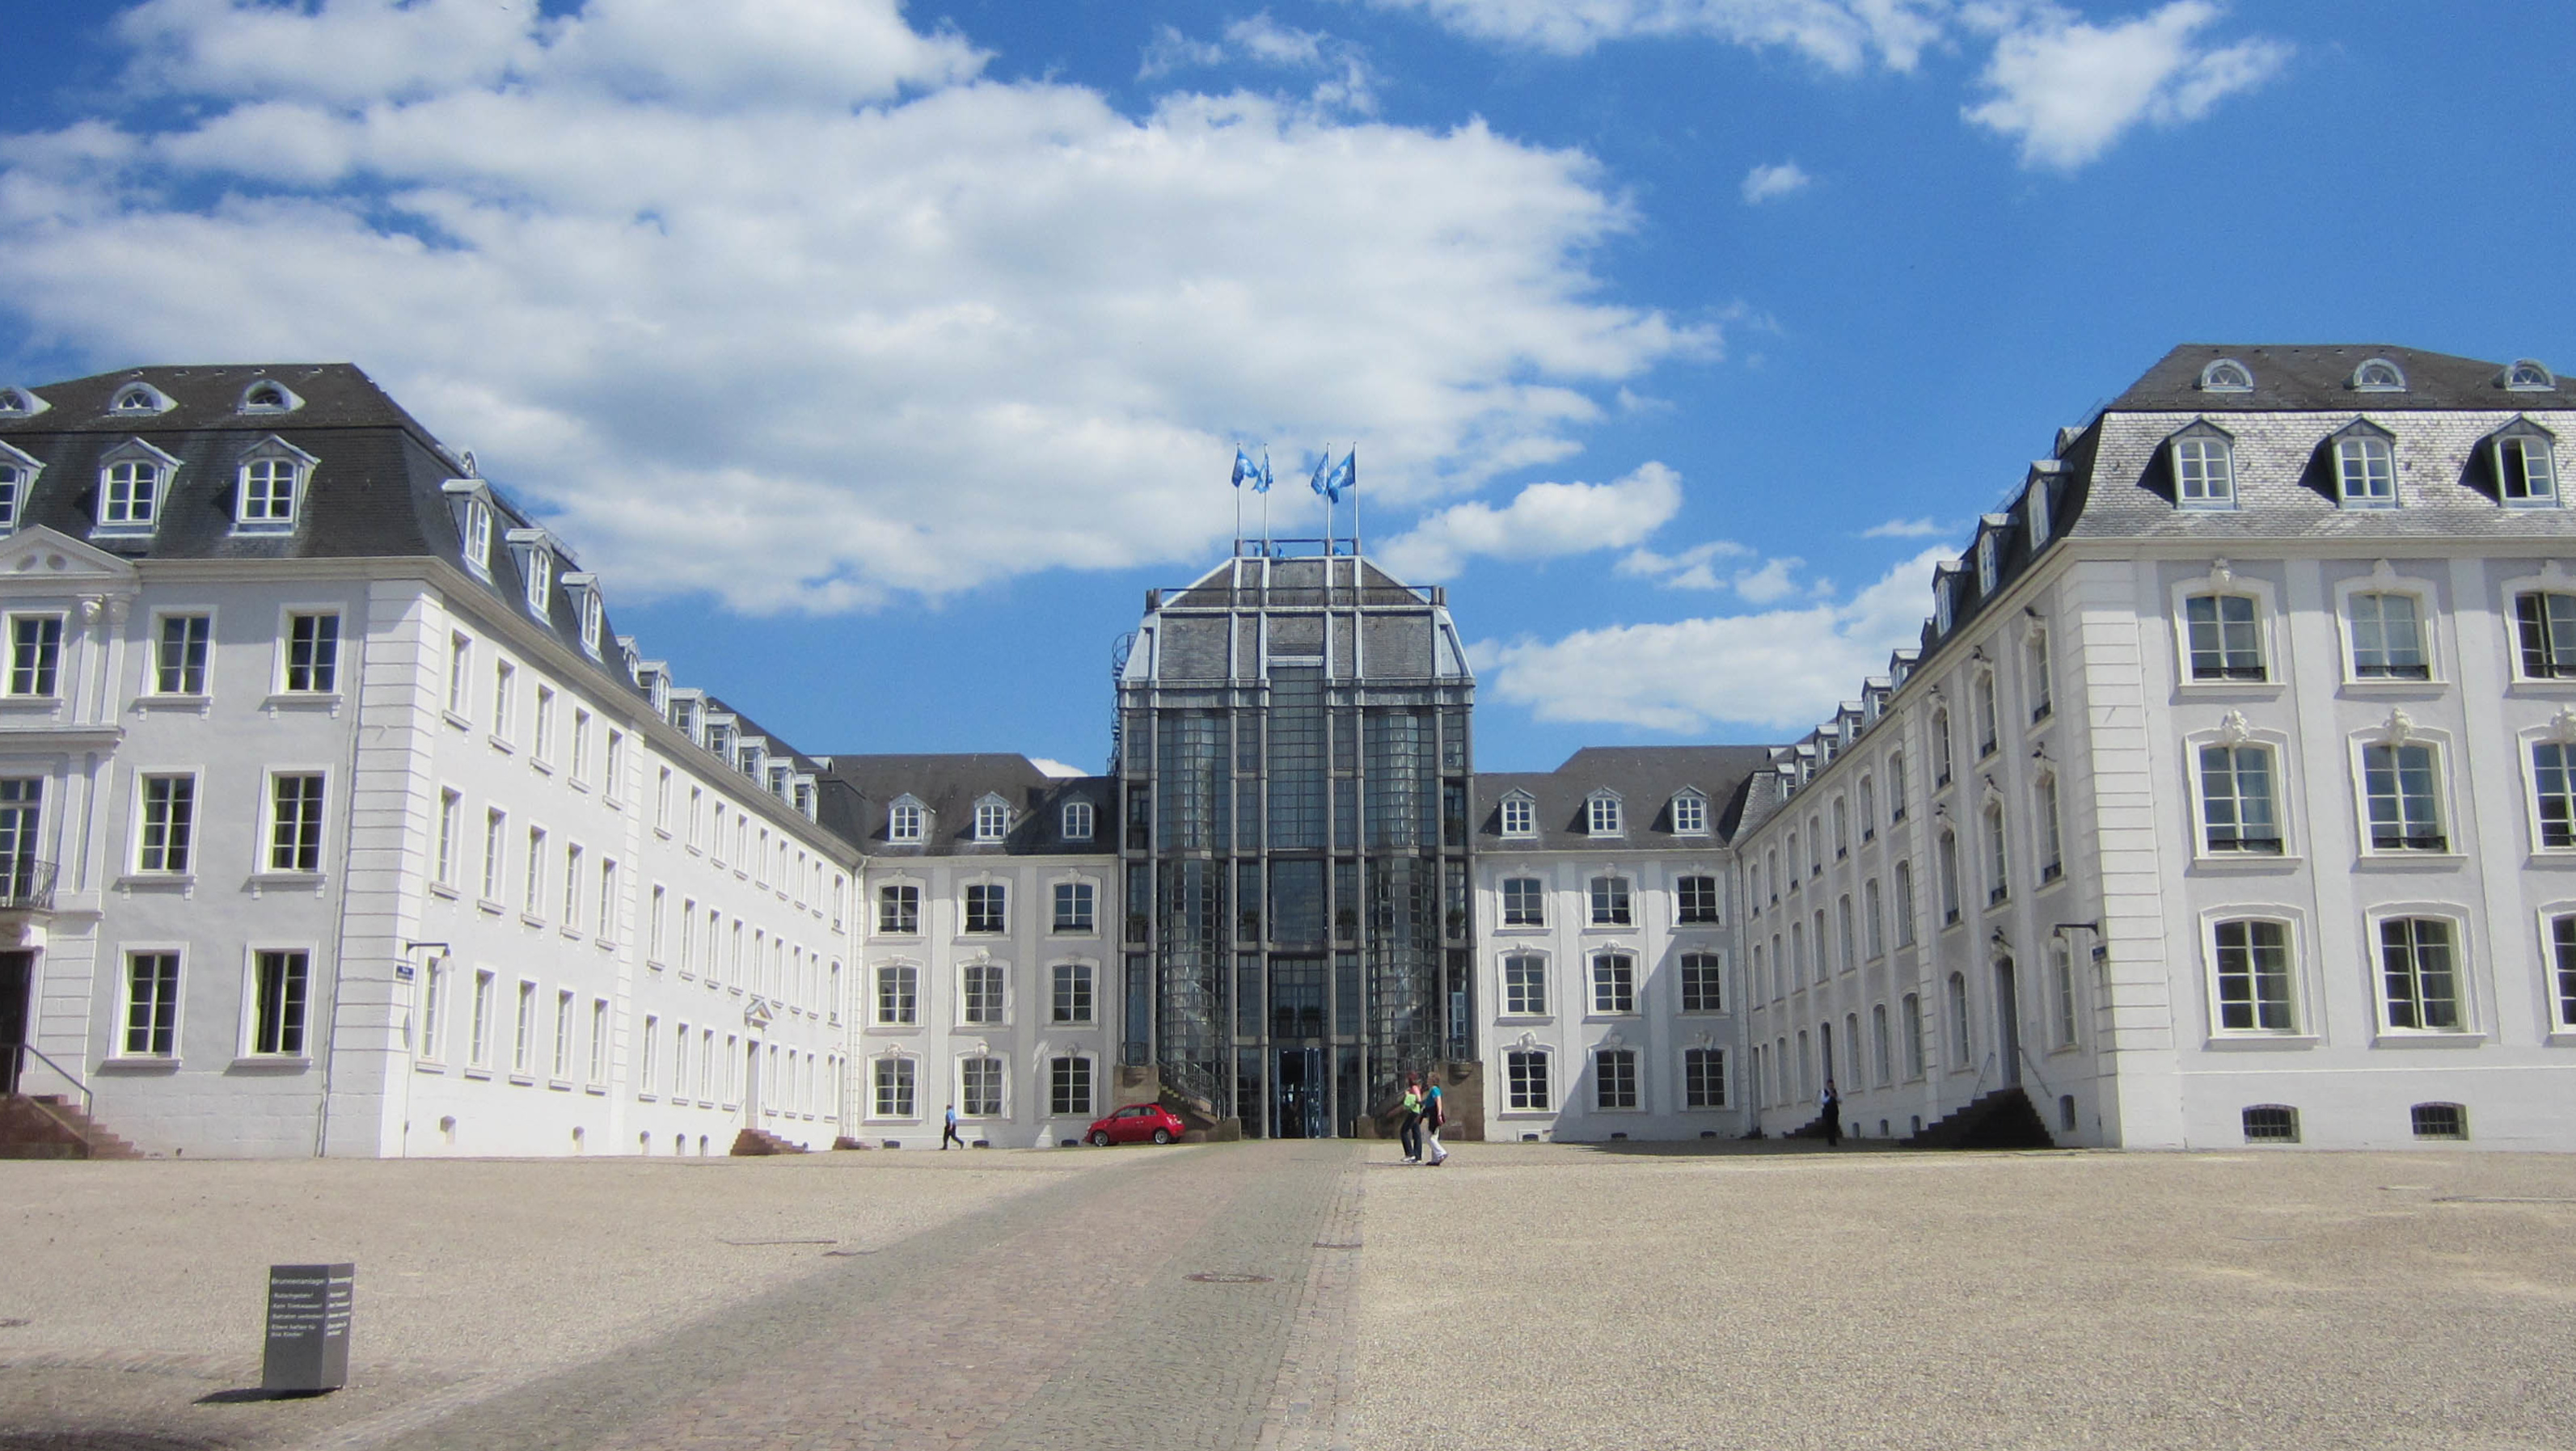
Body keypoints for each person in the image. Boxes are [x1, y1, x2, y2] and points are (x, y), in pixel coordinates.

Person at [1397, 1078, 1424, 1163]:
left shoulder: (1414, 1088)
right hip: (1416, 1111)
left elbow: (1418, 1100)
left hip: (1413, 1112)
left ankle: (1410, 1153)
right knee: (1416, 1133)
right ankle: (1417, 1156)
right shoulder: (1416, 1088)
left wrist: (1407, 1095)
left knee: (1404, 1131)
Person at [1422, 1079, 1448, 1166]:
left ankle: (1441, 1153)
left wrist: (1439, 1114)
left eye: (1428, 1080)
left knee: (1428, 1137)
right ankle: (1435, 1159)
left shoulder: (1434, 1089)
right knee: (1434, 1136)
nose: (1427, 1082)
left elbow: (1438, 1101)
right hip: (1432, 1114)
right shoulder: (1433, 1090)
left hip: (1434, 1114)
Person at [1819, 1079, 1842, 1148]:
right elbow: (1823, 1101)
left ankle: (1834, 1141)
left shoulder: (1835, 1091)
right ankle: (1830, 1141)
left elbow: (1840, 1101)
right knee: (1829, 1126)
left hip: (1834, 1111)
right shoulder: (1824, 1092)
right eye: (1830, 1084)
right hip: (1828, 1111)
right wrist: (1829, 1096)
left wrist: (1836, 1097)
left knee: (1834, 1126)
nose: (1831, 1086)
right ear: (1828, 1085)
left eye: (1832, 1085)